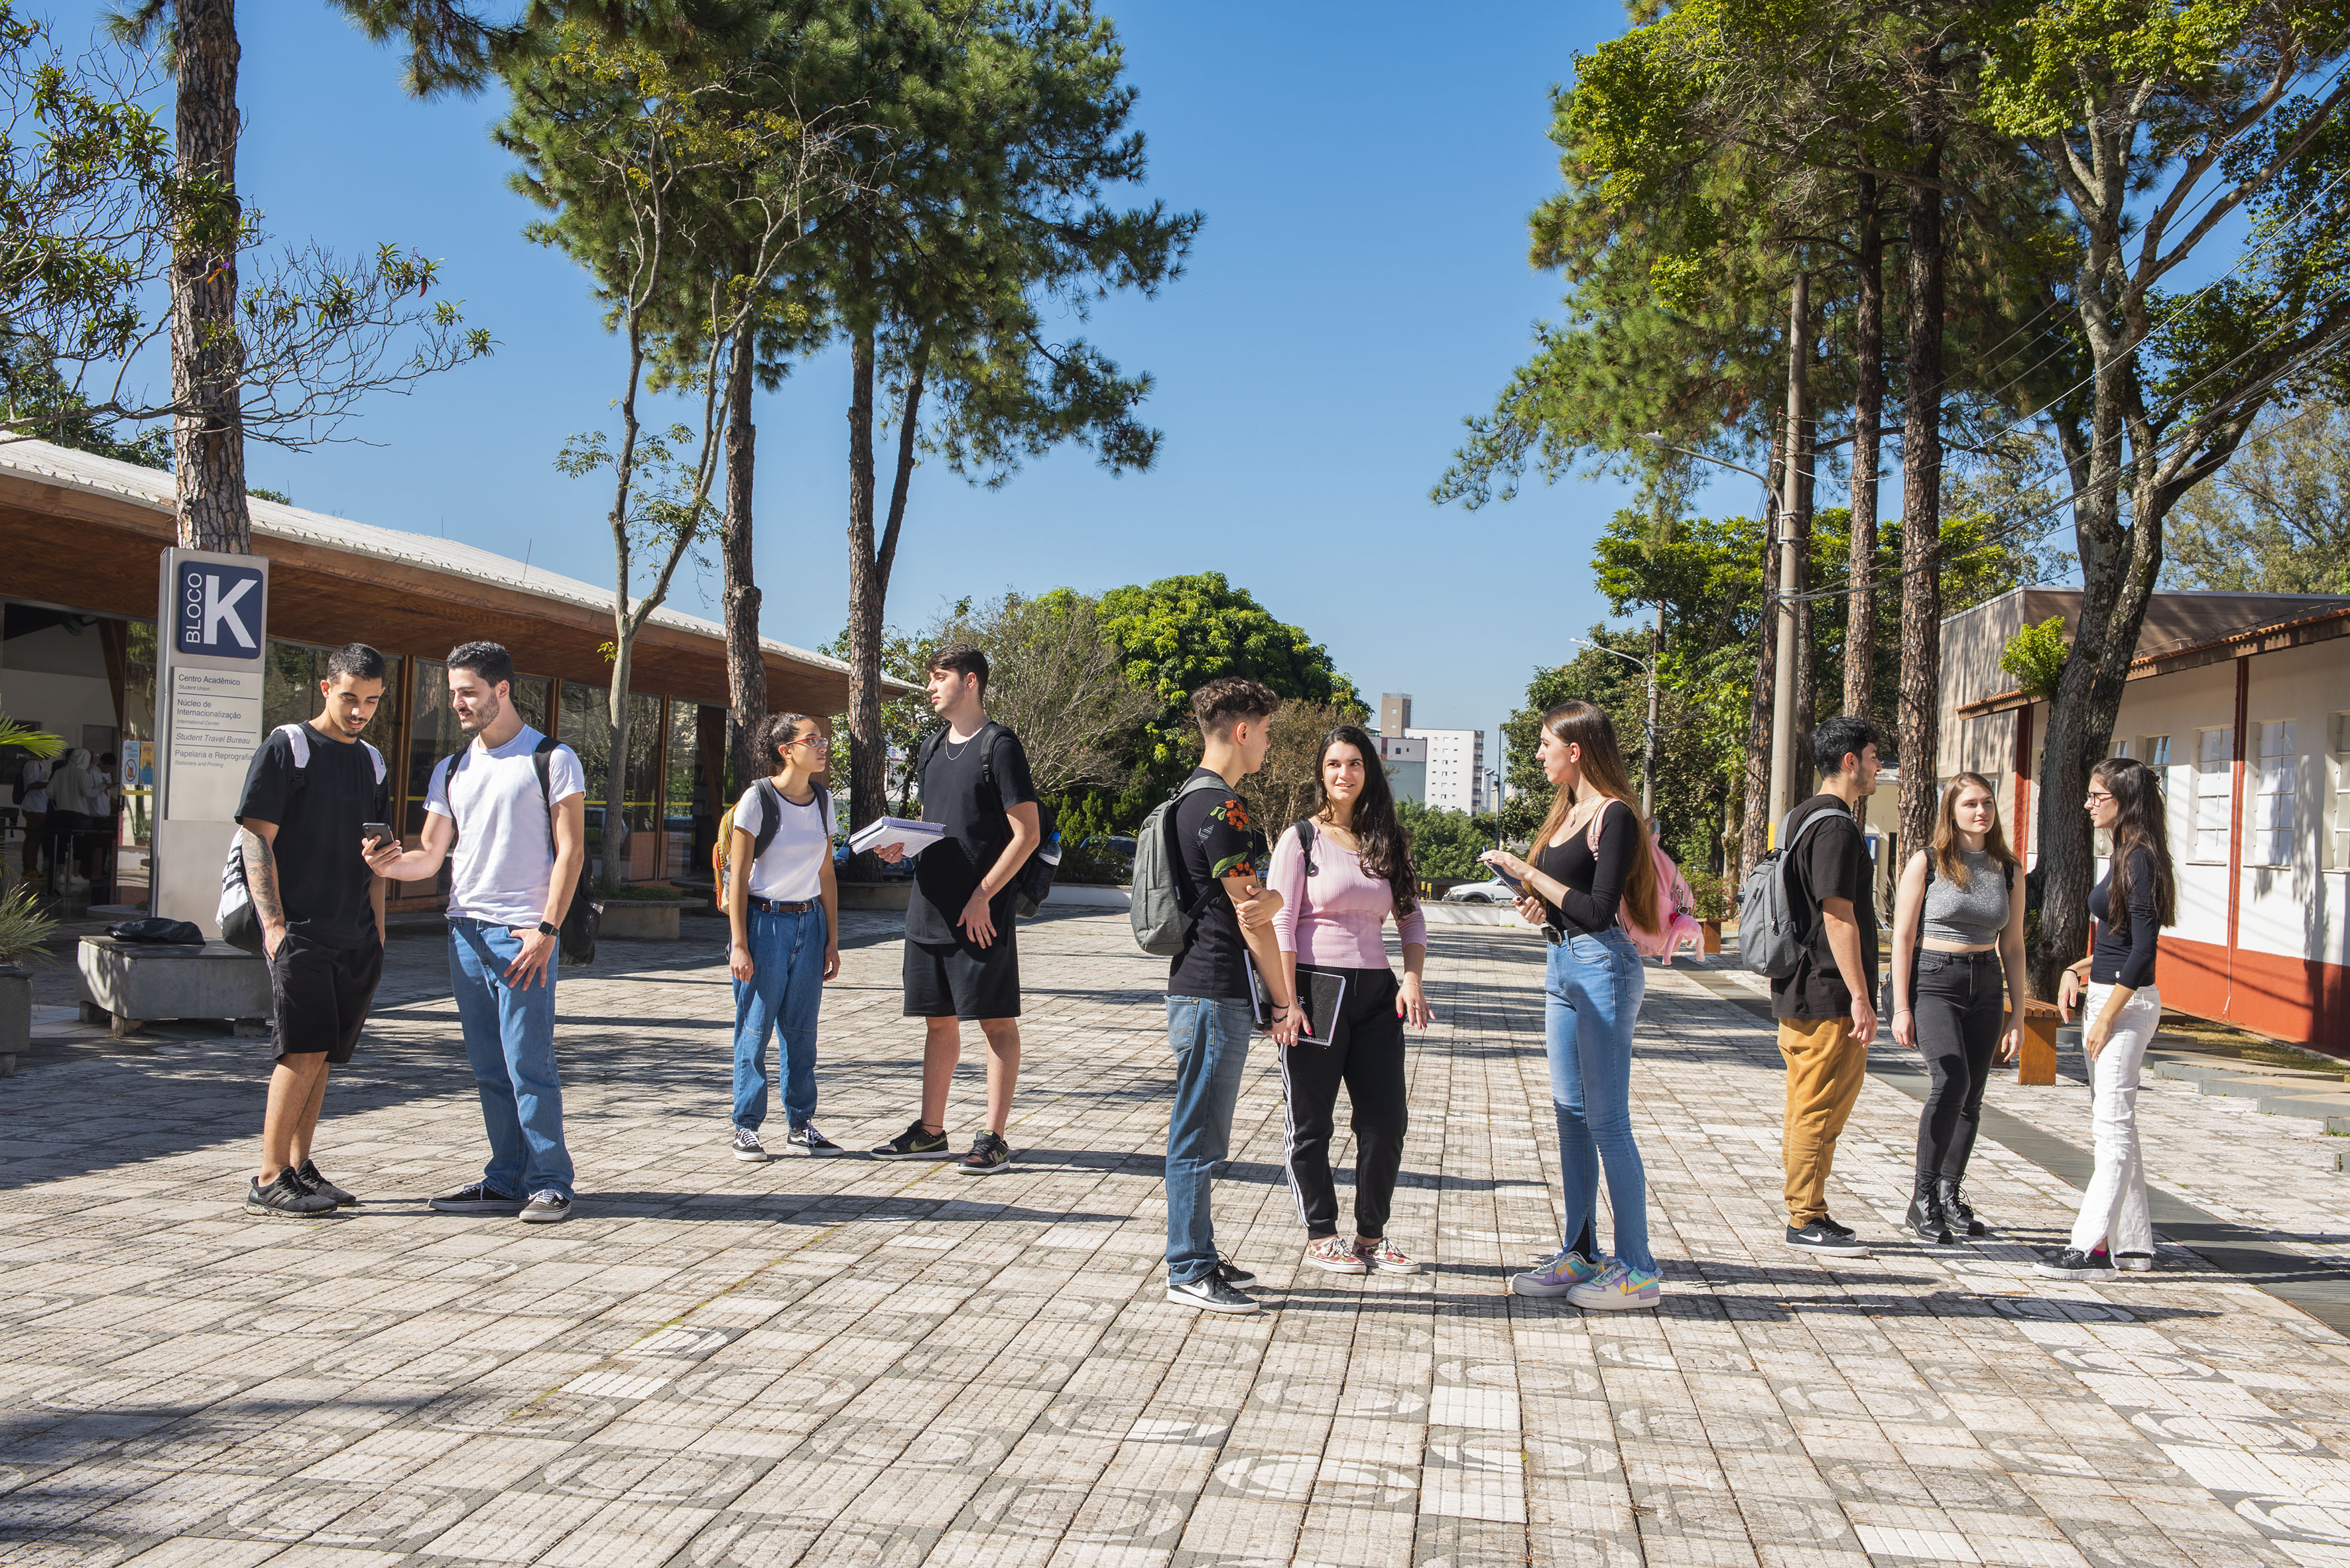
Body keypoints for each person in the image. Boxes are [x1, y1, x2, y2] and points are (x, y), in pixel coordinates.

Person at [371, 641, 588, 1223]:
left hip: (523, 934)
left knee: (528, 1062)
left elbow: (571, 852)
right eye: (454, 694)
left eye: (468, 692)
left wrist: (548, 927)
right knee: (490, 1066)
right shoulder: (452, 768)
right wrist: (387, 863)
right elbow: (430, 855)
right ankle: (505, 1177)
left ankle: (551, 1180)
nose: (459, 703)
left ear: (502, 690)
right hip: (464, 931)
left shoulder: (552, 758)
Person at [1483, 701, 1667, 1310]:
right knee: (1569, 1113)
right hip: (1562, 962)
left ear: (1577, 748)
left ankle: (1638, 1269)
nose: (1539, 754)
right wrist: (1534, 901)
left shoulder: (1614, 815)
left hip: (1603, 966)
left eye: (1545, 743)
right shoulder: (1565, 813)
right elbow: (1568, 909)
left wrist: (1529, 875)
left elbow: (1599, 909)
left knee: (1607, 1120)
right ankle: (1582, 1251)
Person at [1264, 723, 1433, 1277]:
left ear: (1369, 772)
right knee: (1311, 1122)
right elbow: (1282, 922)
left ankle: (1371, 1235)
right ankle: (1321, 1233)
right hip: (1316, 989)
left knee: (1386, 1119)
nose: (1344, 773)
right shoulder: (1300, 838)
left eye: (1355, 763)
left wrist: (1412, 978)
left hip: (1378, 993)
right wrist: (1287, 1001)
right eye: (1334, 763)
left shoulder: (1388, 838)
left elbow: (1410, 914)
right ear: (1322, 771)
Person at [867, 643, 1041, 1175]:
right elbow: (932, 823)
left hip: (980, 912)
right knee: (937, 1021)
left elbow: (1027, 833)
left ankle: (993, 1136)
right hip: (929, 907)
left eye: (939, 677)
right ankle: (931, 1130)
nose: (930, 686)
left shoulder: (1000, 746)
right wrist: (901, 844)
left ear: (970, 681)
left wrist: (984, 893)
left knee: (996, 1022)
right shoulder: (930, 747)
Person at [236, 644, 394, 1217]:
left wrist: (377, 929)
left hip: (353, 932)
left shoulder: (372, 762)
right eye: (350, 697)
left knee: (323, 1054)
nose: (359, 711)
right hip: (299, 929)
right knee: (300, 1050)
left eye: (372, 701)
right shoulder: (288, 746)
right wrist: (274, 925)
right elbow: (257, 836)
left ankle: (300, 1168)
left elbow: (376, 852)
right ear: (326, 688)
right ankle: (268, 1175)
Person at [1162, 676, 1293, 1313]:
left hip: (1198, 988)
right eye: (1266, 731)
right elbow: (1253, 915)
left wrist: (1266, 896)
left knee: (1205, 1129)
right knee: (1197, 1134)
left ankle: (1201, 1252)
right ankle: (1187, 1266)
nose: (1269, 743)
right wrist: (1285, 998)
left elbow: (1241, 900)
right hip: (1215, 990)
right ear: (1242, 730)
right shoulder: (1224, 807)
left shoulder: (1187, 798)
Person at [2038, 758, 2175, 1280]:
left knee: (2110, 1130)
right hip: (2108, 996)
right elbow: (2119, 945)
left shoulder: (2139, 858)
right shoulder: (2124, 852)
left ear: (2124, 800)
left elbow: (2143, 954)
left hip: (2127, 1006)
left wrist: (2105, 1017)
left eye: (2098, 795)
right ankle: (2134, 1246)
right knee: (2120, 1126)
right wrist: (2078, 967)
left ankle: (2087, 1245)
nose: (2089, 804)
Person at [1887, 772, 2025, 1244]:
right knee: (1952, 1080)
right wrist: (1901, 1006)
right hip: (1934, 979)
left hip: (1986, 981)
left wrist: (2019, 1013)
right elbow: (1903, 937)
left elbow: (2015, 945)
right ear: (1952, 810)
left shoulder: (2007, 868)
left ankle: (1949, 1193)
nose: (1981, 811)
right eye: (1970, 804)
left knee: (1973, 1092)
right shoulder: (1927, 862)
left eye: (1987, 802)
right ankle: (1921, 1197)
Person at [1772, 715, 1885, 1258]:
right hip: (1826, 990)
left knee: (1807, 1103)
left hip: (1802, 984)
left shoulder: (1800, 817)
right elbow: (1838, 915)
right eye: (1873, 757)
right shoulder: (1836, 826)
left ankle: (1809, 1208)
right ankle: (1804, 1216)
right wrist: (1861, 995)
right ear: (1850, 761)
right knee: (1819, 1105)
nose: (1878, 767)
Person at [723, 711, 843, 1160]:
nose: (822, 746)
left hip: (808, 924)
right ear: (787, 750)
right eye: (813, 739)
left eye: (823, 739)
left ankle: (800, 1124)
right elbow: (738, 877)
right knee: (754, 1028)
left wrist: (832, 937)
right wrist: (739, 941)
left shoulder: (822, 800)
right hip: (764, 924)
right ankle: (747, 1126)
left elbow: (826, 872)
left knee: (801, 1030)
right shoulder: (758, 798)